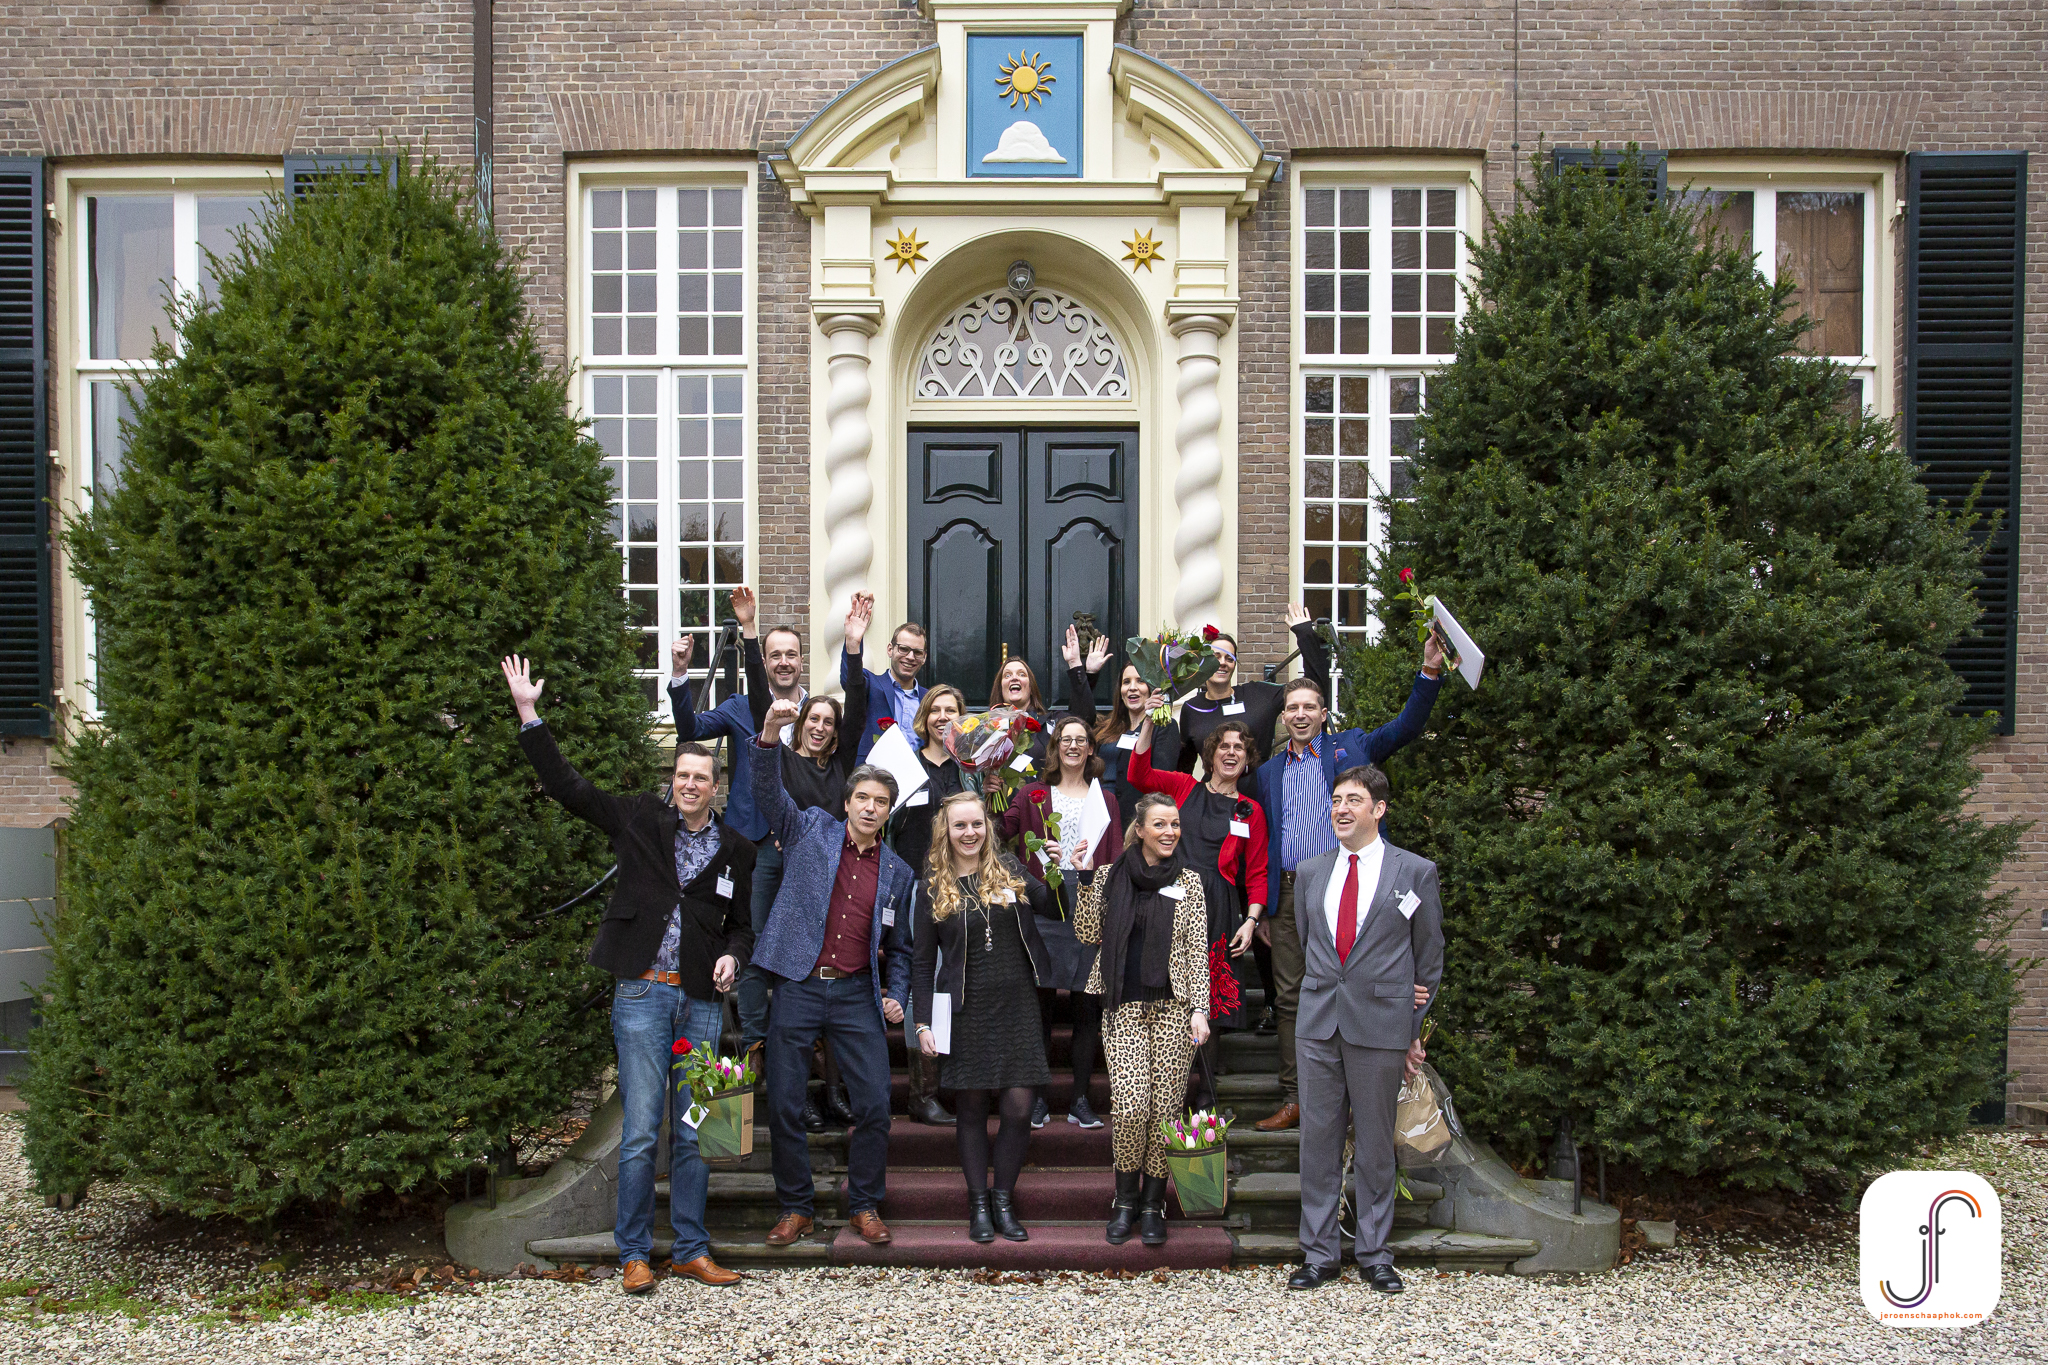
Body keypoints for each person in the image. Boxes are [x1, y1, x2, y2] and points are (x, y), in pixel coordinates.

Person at [500, 655, 754, 1293]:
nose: (689, 784)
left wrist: (734, 956)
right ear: (673, 780)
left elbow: (743, 927)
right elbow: (571, 789)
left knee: (698, 1132)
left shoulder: (737, 851)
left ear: (716, 788)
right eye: (682, 775)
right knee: (641, 1131)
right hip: (642, 996)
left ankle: (691, 1249)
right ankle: (634, 1252)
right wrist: (529, 714)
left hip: (700, 1003)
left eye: (701, 777)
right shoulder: (640, 819)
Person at [672, 593, 871, 1101]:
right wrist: (735, 639)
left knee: (813, 943)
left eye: (791, 654)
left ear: (802, 660)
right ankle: (758, 1041)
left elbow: (855, 707)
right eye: (774, 654)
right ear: (764, 661)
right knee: (757, 940)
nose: (784, 662)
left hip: (813, 857)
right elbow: (709, 726)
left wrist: (853, 646)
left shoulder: (824, 731)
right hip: (756, 845)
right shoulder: (753, 714)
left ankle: (813, 1044)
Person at [1250, 640, 1444, 1133]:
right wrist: (1265, 906)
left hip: (1348, 886)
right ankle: (1296, 1097)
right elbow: (1264, 839)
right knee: (1290, 997)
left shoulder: (1350, 748)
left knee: (1352, 986)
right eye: (1292, 707)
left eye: (1309, 707)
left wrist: (1428, 671)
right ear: (1283, 717)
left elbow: (1406, 727)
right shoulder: (1268, 772)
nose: (1299, 714)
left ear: (1322, 714)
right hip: (1290, 893)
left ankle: (1356, 1097)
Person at [750, 696, 915, 1250]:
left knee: (875, 1105)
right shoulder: (810, 830)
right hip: (798, 984)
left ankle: (864, 1205)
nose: (870, 807)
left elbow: (903, 947)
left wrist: (897, 992)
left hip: (855, 995)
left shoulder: (898, 873)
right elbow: (769, 794)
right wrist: (768, 738)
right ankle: (795, 1208)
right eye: (862, 797)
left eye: (881, 802)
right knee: (785, 1103)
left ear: (889, 812)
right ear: (847, 802)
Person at [1288, 765, 1442, 1294]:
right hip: (1318, 1022)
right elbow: (1309, 943)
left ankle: (1375, 1254)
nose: (1341, 808)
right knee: (1317, 1142)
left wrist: (1411, 1024)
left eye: (1353, 800)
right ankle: (1319, 1254)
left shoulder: (1414, 871)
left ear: (1378, 809)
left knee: (1376, 1143)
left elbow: (1429, 955)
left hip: (1381, 1024)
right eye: (1336, 799)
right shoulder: (1310, 871)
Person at [911, 792, 1055, 1243]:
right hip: (965, 1009)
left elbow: (1053, 907)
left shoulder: (1010, 868)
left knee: (1019, 1108)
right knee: (971, 1110)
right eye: (960, 825)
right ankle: (978, 1205)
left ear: (987, 827)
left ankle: (1003, 1200)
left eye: (977, 824)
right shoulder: (932, 886)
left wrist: (1057, 870)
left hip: (1018, 1005)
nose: (969, 833)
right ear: (946, 831)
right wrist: (922, 1022)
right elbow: (922, 963)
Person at [1073, 792, 1210, 1247]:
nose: (1170, 832)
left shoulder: (1189, 881)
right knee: (1132, 1108)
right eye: (1161, 824)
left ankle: (1153, 1204)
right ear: (1141, 829)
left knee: (1165, 1112)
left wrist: (1200, 1008)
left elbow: (1196, 951)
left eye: (1175, 824)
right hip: (1123, 1007)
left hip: (1175, 1009)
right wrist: (1085, 879)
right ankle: (1124, 1199)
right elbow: (1087, 933)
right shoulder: (1110, 875)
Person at [1125, 713, 1269, 1108]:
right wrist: (1148, 725)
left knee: (1211, 1004)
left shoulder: (1250, 811)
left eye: (1239, 748)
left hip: (1219, 907)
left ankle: (1205, 1098)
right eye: (1224, 746)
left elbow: (1257, 872)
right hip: (1171, 898)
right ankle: (1158, 1091)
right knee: (1165, 990)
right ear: (1211, 754)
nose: (1231, 752)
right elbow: (1139, 775)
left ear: (1247, 759)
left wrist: (1251, 920)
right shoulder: (1183, 787)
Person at [997, 713, 1123, 1129]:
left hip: (1090, 904)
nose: (1072, 746)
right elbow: (997, 835)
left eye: (1080, 739)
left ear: (1091, 749)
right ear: (1055, 748)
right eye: (1065, 739)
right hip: (1043, 905)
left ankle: (1080, 1100)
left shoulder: (1106, 800)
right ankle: (1038, 1098)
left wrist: (1104, 896)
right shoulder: (1031, 794)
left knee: (1087, 1007)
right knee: (1042, 1008)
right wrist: (989, 791)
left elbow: (1117, 857)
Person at [887, 683, 968, 1126]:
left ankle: (955, 1080)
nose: (942, 717)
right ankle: (922, 1092)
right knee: (922, 978)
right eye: (935, 710)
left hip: (962, 885)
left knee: (954, 981)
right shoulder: (905, 765)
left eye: (950, 710)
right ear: (924, 717)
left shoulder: (971, 769)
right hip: (916, 885)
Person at [1175, 606, 1329, 774]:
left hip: (1260, 785)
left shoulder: (1259, 694)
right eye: (1215, 657)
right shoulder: (1192, 708)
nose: (1223, 663)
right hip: (1214, 788)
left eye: (1229, 658)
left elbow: (1313, 689)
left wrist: (1305, 634)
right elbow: (1184, 765)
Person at [1090, 665, 1182, 813]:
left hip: (1136, 815)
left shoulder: (1164, 726)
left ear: (1152, 688)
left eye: (1140, 681)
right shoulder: (1105, 727)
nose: (1132, 687)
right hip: (1099, 811)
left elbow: (1160, 781)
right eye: (1126, 682)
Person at [845, 618, 930, 761]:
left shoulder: (929, 698)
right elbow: (850, 680)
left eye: (917, 652)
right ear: (890, 649)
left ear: (924, 657)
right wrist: (853, 644)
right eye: (904, 649)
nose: (910, 657)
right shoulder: (870, 684)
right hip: (874, 772)